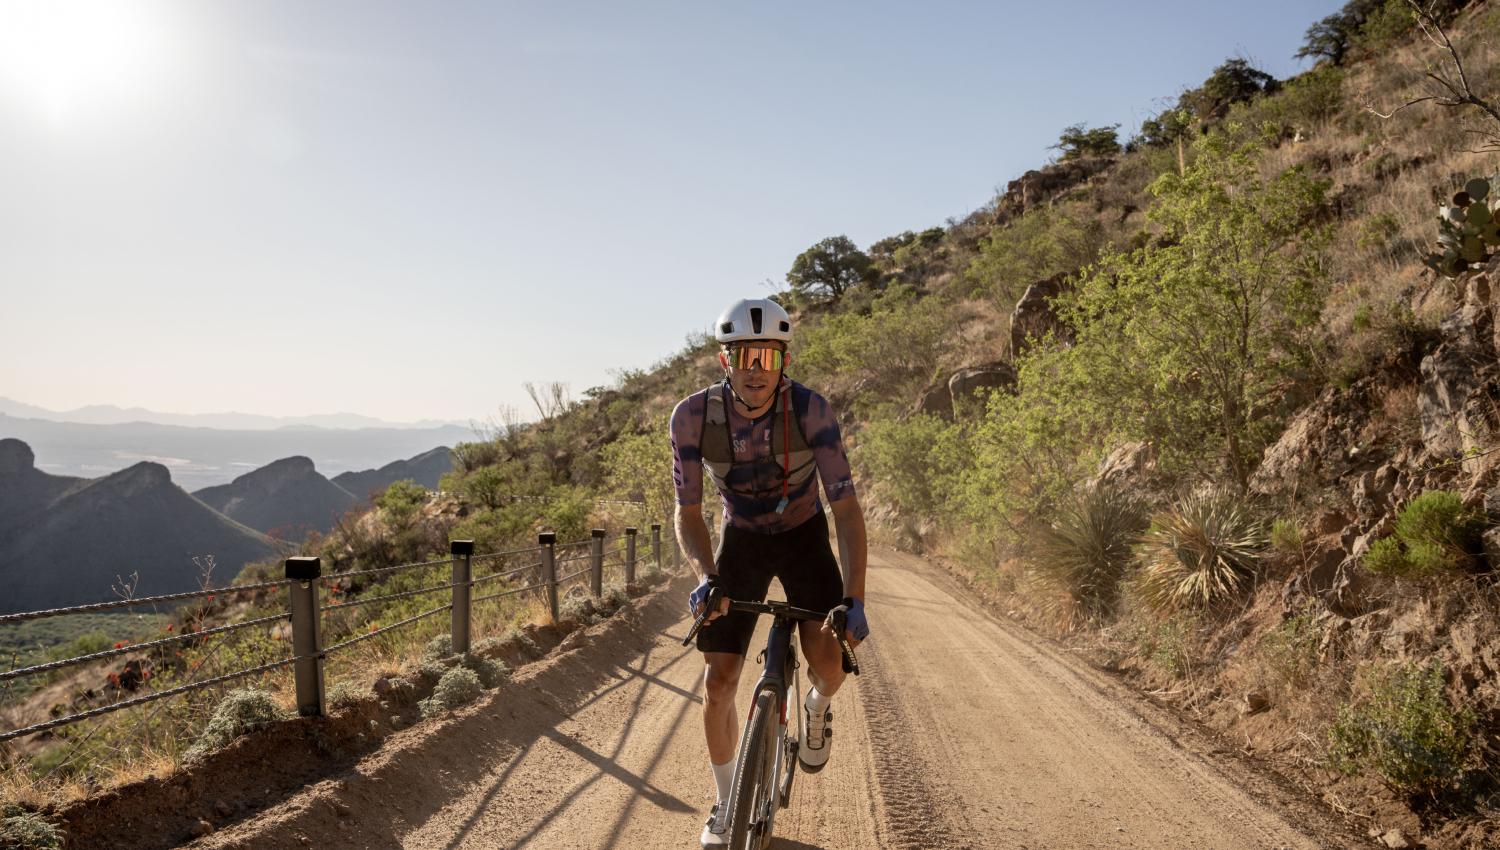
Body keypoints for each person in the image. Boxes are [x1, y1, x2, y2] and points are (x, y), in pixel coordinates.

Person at [669, 297, 870, 848]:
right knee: (718, 682)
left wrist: (853, 598)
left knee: (829, 662)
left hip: (804, 535)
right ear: (724, 360)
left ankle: (816, 708)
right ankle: (725, 803)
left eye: (768, 356)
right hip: (742, 541)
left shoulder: (811, 411)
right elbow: (688, 513)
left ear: (784, 361)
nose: (756, 369)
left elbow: (846, 511)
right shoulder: (692, 417)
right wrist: (706, 576)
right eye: (744, 356)